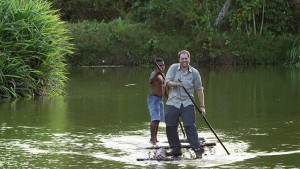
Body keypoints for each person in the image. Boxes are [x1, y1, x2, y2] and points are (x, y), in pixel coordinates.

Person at [164, 50, 206, 159]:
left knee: (189, 126)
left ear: (189, 59)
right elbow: (166, 82)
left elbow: (199, 90)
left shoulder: (195, 73)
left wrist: (202, 106)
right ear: (179, 60)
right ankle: (176, 148)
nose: (184, 60)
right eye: (182, 58)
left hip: (188, 102)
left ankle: (197, 148)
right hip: (173, 101)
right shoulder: (173, 68)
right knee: (170, 125)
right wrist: (177, 84)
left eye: (186, 58)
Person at [147, 58, 166, 145]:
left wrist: (169, 98)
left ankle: (155, 137)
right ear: (156, 66)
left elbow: (164, 88)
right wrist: (157, 73)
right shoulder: (154, 74)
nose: (162, 67)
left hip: (160, 99)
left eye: (163, 65)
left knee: (158, 120)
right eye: (160, 65)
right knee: (155, 119)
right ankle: (152, 139)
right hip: (153, 99)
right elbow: (150, 81)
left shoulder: (162, 75)